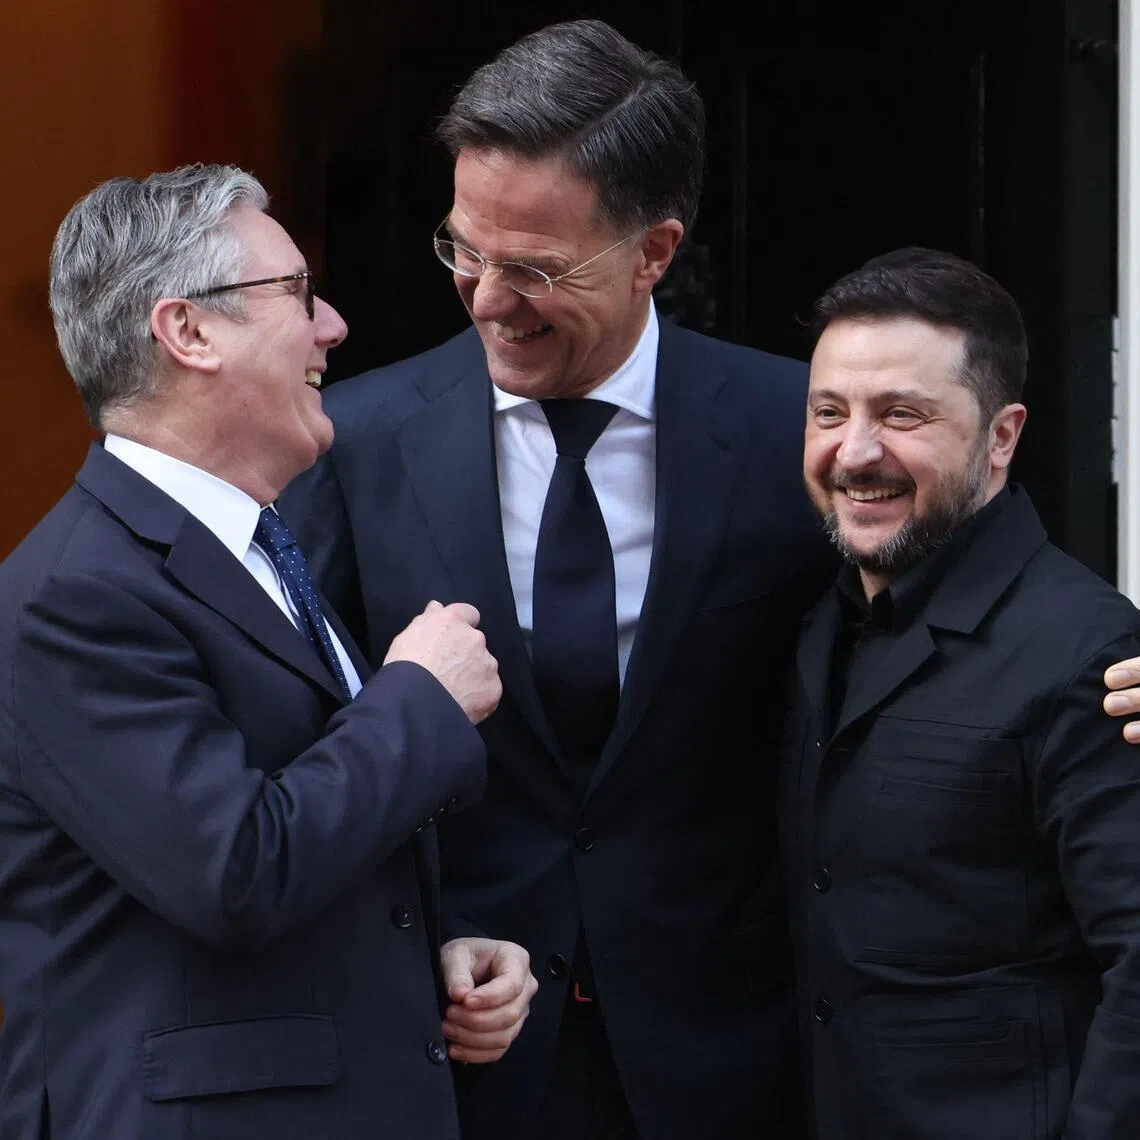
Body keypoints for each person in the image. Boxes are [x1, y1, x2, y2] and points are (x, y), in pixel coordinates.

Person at [279, 18, 836, 1140]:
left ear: (655, 254)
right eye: (463, 250)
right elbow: (297, 735)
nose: (487, 299)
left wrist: (1099, 685)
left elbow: (949, 627)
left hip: (725, 1049)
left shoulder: (796, 430)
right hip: (459, 1048)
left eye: (534, 267)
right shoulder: (358, 441)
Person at [0, 164, 538, 1140]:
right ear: (188, 331)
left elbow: (299, 841)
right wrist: (418, 694)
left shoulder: (260, 549)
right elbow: (234, 870)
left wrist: (427, 958)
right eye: (295, 292)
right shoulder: (75, 595)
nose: (332, 324)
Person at [784, 247, 1140, 1139]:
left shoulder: (1088, 650)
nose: (854, 451)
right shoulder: (814, 622)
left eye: (902, 414)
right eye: (830, 412)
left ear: (1002, 436)